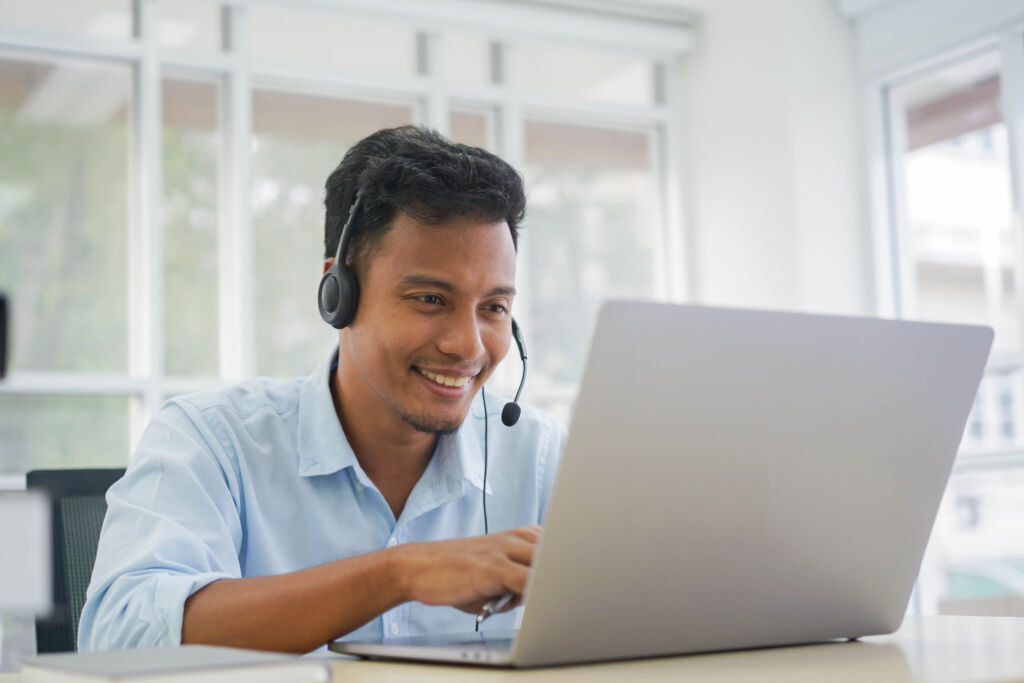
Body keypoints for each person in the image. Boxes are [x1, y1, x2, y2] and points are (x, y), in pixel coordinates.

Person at [78, 126, 565, 654]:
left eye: (493, 308)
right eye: (429, 298)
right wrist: (395, 574)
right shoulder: (212, 440)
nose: (467, 346)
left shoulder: (540, 457)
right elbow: (120, 635)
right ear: (340, 293)